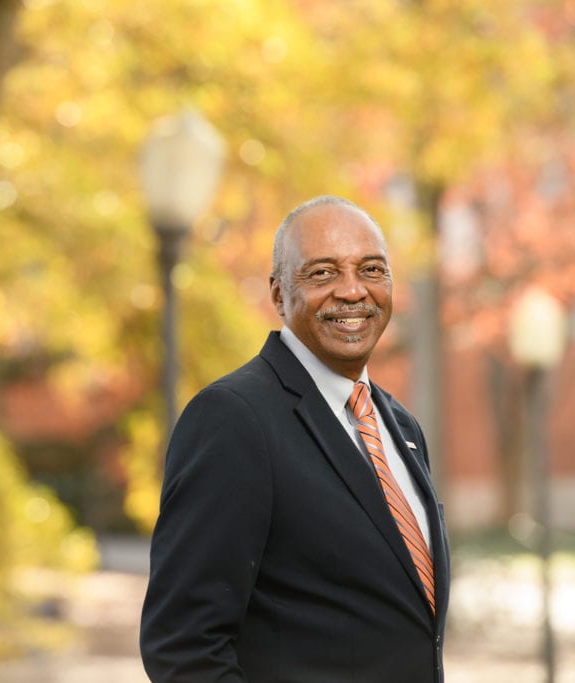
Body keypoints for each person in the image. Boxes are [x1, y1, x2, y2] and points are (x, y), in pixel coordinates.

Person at [140, 195, 449, 682]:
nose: (353, 291)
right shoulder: (233, 418)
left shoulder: (401, 427)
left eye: (371, 270)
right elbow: (183, 646)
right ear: (280, 294)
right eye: (323, 273)